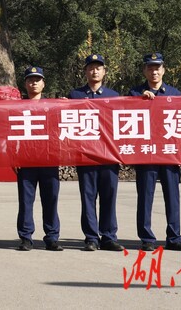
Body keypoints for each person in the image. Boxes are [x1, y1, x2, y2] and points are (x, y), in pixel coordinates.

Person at [128, 53, 181, 251]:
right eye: (150, 68)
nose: (154, 71)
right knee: (145, 196)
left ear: (163, 70)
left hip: (169, 153)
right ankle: (147, 238)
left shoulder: (174, 93)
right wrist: (140, 101)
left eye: (157, 67)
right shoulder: (135, 93)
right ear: (145, 70)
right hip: (146, 154)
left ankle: (174, 237)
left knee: (173, 196)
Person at [68, 53, 123, 252]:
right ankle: (91, 237)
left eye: (98, 67)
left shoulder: (114, 96)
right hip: (86, 156)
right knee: (88, 197)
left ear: (104, 71)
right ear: (85, 72)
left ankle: (108, 236)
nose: (95, 71)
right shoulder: (75, 95)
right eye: (91, 68)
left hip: (109, 155)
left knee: (109, 196)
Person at [15, 66, 61, 252]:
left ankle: (51, 237)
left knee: (51, 199)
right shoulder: (17, 107)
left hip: (49, 160)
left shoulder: (53, 106)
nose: (34, 82)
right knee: (26, 201)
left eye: (37, 79)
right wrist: (13, 157)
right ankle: (26, 237)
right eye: (30, 79)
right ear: (25, 83)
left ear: (43, 83)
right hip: (26, 161)